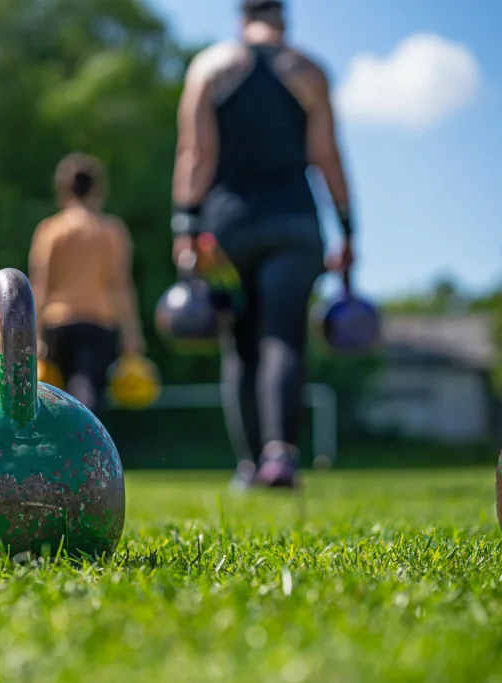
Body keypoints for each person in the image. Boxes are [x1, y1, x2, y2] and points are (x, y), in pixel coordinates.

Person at [169, 0, 355, 490]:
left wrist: (183, 227)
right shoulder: (310, 71)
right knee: (284, 336)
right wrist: (348, 228)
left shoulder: (210, 67)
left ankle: (250, 466)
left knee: (241, 345)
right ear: (283, 18)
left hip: (224, 232)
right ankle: (280, 456)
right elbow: (327, 156)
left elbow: (195, 154)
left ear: (240, 17)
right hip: (295, 224)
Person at [29, 153, 145, 413]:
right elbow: (120, 286)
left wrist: (34, 335)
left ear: (62, 188)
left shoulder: (50, 230)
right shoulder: (111, 230)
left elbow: (40, 286)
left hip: (58, 324)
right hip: (98, 323)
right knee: (88, 392)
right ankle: (87, 448)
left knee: (55, 400)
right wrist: (132, 334)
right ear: (97, 188)